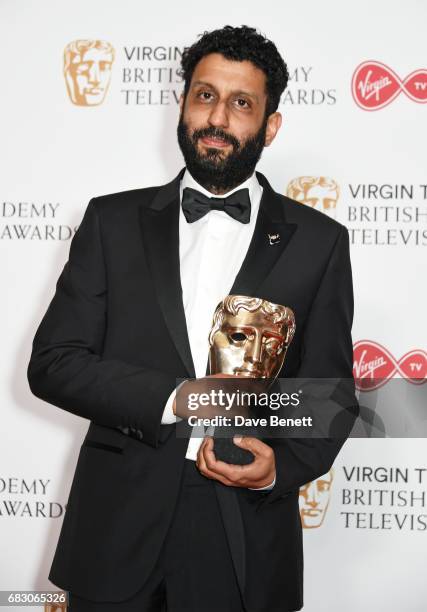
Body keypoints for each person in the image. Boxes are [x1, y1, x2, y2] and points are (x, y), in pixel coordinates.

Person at [28, 25, 356, 612]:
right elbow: (54, 363)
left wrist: (280, 467)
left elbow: (329, 393)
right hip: (115, 529)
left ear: (270, 125)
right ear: (182, 106)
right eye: (204, 96)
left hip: (245, 533)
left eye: (241, 103)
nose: (217, 118)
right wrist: (176, 397)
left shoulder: (320, 243)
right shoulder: (111, 222)